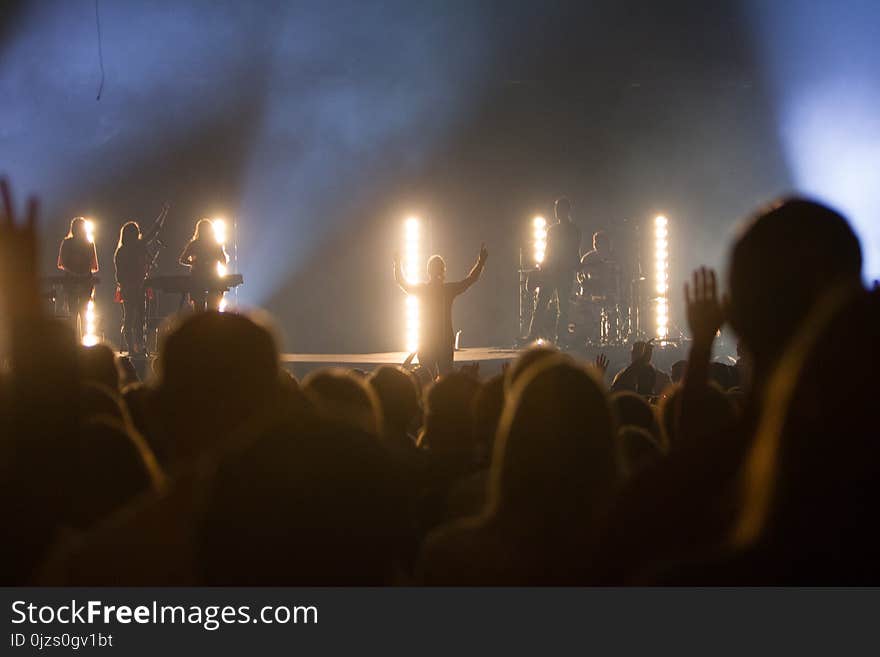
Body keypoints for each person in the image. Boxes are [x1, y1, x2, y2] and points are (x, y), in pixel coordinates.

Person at [393, 244, 488, 378]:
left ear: (428, 271)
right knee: (445, 379)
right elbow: (469, 281)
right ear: (443, 271)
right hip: (442, 342)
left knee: (426, 377)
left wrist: (397, 263)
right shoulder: (447, 290)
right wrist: (480, 262)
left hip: (427, 342)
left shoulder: (424, 290)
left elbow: (401, 281)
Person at [526, 197, 581, 346]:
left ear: (565, 211)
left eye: (559, 210)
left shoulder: (555, 230)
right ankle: (558, 337)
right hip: (560, 272)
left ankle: (534, 336)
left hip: (554, 272)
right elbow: (574, 252)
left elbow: (549, 252)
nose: (557, 213)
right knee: (559, 307)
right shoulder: (572, 230)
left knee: (545, 305)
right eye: (557, 210)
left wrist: (542, 269)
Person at [114, 206, 168, 353]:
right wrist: (163, 213)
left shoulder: (121, 251)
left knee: (130, 318)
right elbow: (154, 232)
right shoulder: (138, 246)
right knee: (139, 318)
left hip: (128, 288)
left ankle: (132, 347)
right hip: (137, 287)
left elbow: (118, 275)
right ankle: (137, 346)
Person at [57, 217, 98, 339]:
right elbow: (94, 266)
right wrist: (83, 274)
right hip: (85, 280)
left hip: (71, 280)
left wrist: (73, 273)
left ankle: (74, 339)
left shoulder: (67, 243)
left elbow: (61, 263)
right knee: (83, 311)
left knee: (73, 310)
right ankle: (83, 338)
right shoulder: (89, 243)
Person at [579, 230, 620, 342]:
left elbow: (616, 279)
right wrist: (587, 285)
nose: (596, 245)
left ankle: (612, 336)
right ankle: (590, 336)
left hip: (607, 293)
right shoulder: (587, 259)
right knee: (588, 312)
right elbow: (581, 277)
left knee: (612, 309)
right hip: (591, 293)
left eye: (600, 242)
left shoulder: (613, 259)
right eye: (595, 242)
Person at [179, 218, 227, 311]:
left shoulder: (194, 244)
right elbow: (223, 261)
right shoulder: (215, 244)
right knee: (213, 310)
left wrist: (193, 263)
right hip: (211, 277)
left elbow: (182, 259)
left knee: (199, 310)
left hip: (198, 277)